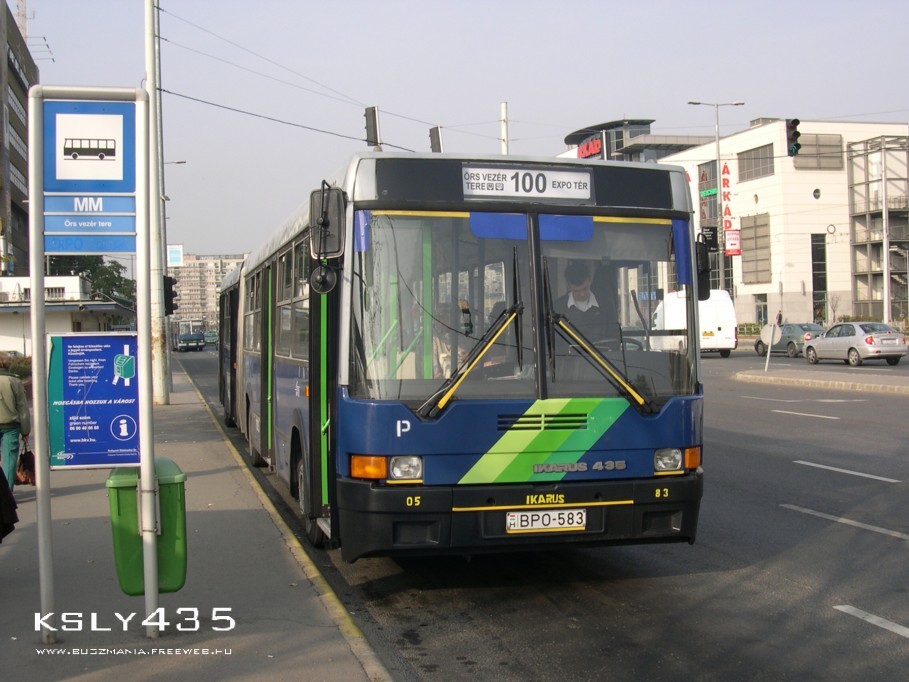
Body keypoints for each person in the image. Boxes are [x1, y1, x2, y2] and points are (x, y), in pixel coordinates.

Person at [554, 261, 610, 342]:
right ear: (568, 286)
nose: (582, 294)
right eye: (577, 291)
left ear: (590, 280)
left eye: (585, 288)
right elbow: (555, 342)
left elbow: (614, 336)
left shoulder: (605, 304)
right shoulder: (558, 308)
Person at [0, 351, 31, 493]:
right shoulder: (14, 381)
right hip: (11, 426)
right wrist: (25, 430)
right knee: (9, 461)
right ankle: (6, 494)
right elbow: (22, 408)